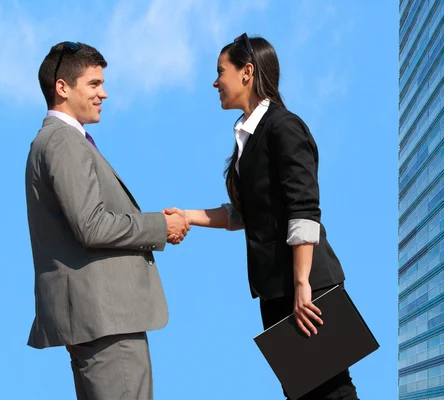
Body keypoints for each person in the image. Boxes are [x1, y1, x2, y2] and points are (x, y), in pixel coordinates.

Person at [165, 33, 359, 399]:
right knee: (303, 393)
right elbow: (244, 214)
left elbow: (304, 209)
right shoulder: (248, 139)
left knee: (332, 391)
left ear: (246, 72)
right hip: (276, 291)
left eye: (220, 71)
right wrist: (188, 216)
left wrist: (303, 286)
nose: (215, 81)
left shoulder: (282, 127)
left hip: (305, 286)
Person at [25, 41, 190, 400]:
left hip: (98, 320)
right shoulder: (63, 142)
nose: (105, 93)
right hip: (106, 320)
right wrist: (159, 227)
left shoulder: (56, 141)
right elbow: (91, 224)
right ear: (63, 88)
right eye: (94, 84)